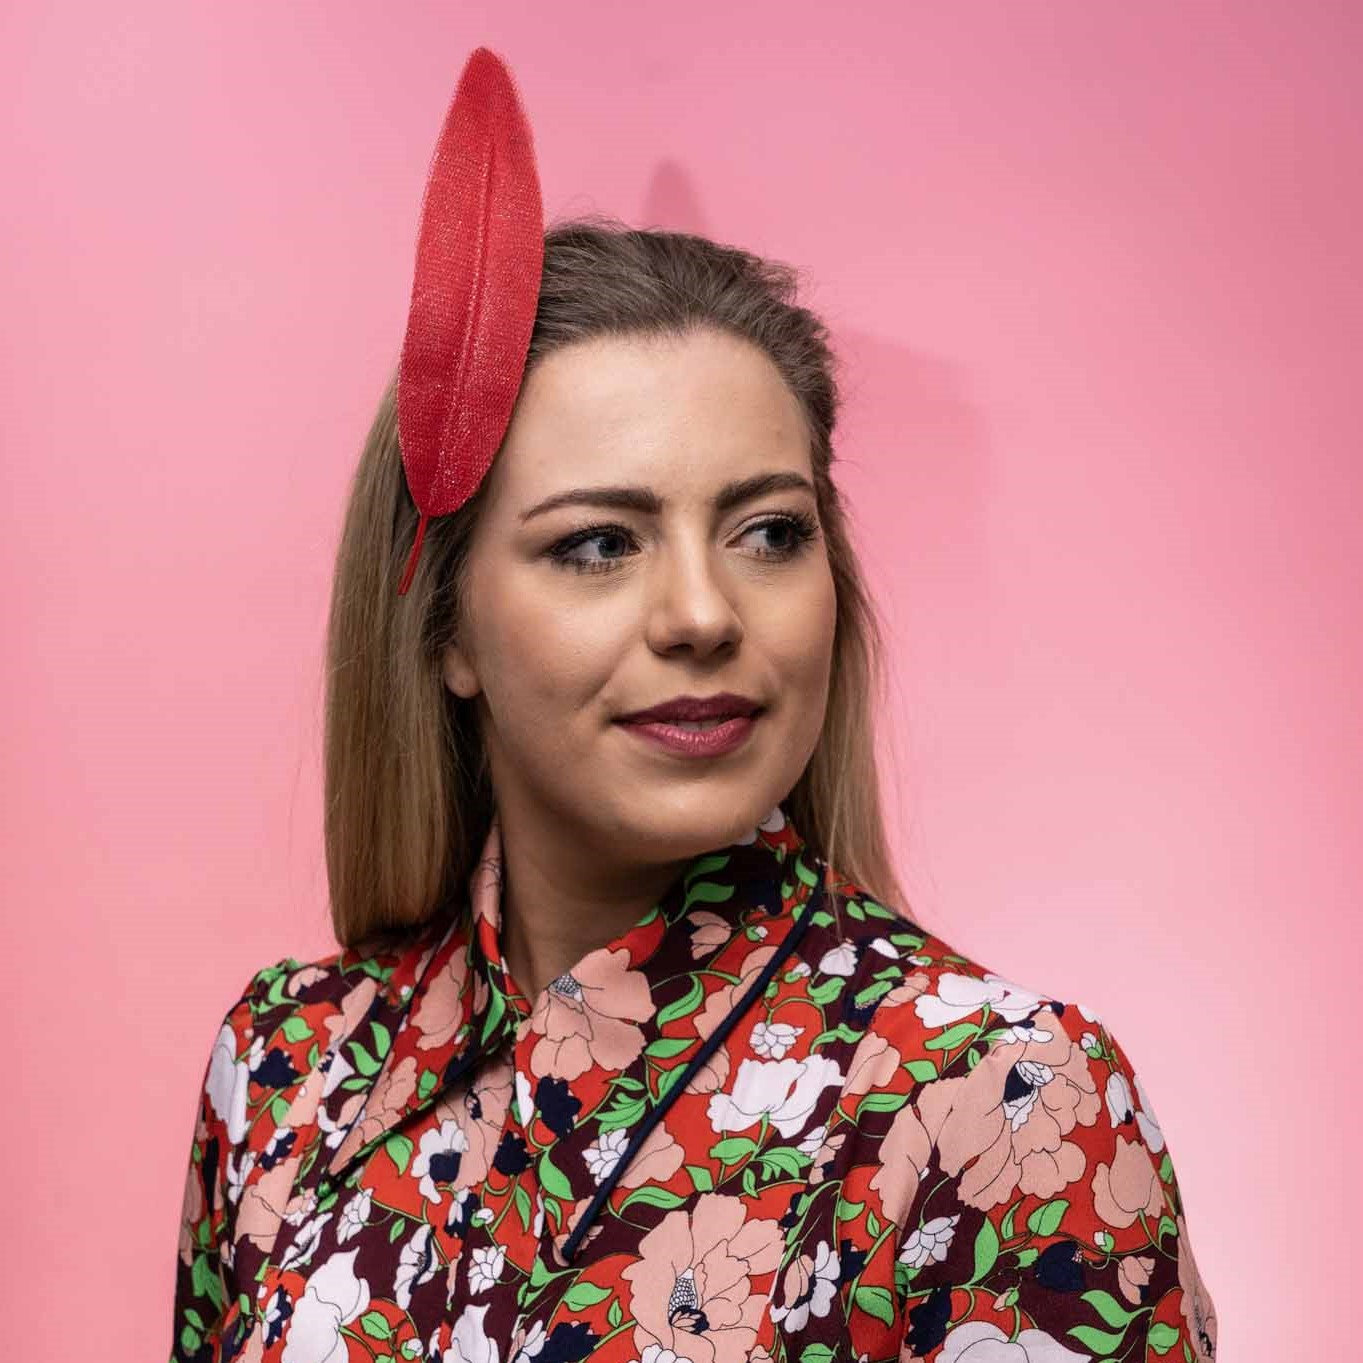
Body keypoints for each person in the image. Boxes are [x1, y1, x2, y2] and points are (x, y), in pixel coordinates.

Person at [167, 52, 1217, 1363]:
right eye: (600, 544)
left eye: (769, 531)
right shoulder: (287, 1069)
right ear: (448, 629)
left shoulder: (999, 1105)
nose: (704, 613)